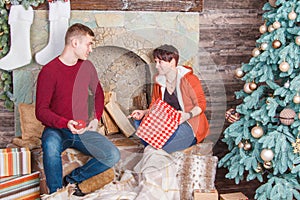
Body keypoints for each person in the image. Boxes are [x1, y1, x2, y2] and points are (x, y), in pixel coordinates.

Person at [35, 23, 120, 196]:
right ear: (75, 43)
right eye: (89, 44)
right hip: (56, 129)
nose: (91, 49)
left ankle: (72, 180)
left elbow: (98, 94)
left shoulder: (87, 67)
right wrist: (65, 123)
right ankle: (56, 194)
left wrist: (96, 117)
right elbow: (41, 111)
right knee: (50, 146)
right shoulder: (49, 71)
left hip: (81, 130)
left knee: (112, 155)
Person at [130, 44, 209, 153]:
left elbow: (201, 104)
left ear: (172, 62)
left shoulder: (190, 79)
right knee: (138, 122)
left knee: (154, 146)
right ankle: (158, 146)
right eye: (155, 61)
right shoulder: (158, 81)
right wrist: (144, 112)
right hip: (168, 123)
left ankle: (155, 148)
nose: (156, 66)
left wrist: (187, 115)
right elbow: (155, 106)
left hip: (187, 123)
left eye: (160, 62)